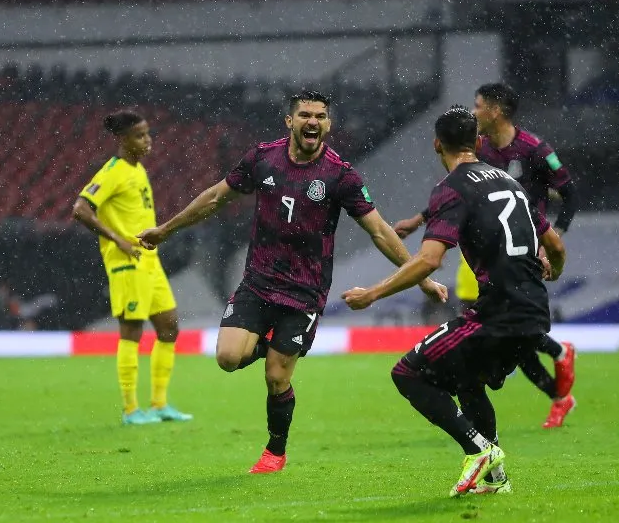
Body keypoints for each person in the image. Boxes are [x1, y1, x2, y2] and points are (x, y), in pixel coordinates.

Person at [137, 90, 447, 474]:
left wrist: (419, 276)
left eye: (320, 115)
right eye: (304, 115)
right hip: (258, 281)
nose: (312, 121)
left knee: (275, 376)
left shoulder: (341, 176)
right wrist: (166, 230)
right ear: (290, 121)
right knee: (228, 358)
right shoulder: (262, 158)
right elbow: (216, 197)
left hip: (304, 292)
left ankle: (275, 450)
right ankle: (272, 346)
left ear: (328, 124)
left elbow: (381, 232)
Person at [343, 106, 566, 496]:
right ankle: (497, 481)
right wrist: (555, 268)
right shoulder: (511, 184)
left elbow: (430, 259)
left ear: (436, 145)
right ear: (478, 143)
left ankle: (478, 450)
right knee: (467, 379)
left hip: (498, 312)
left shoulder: (453, 187)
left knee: (407, 373)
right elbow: (556, 245)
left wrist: (373, 293)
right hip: (535, 310)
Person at [393, 83, 578, 428]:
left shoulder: (536, 149)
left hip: (523, 245)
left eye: (478, 106)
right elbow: (458, 194)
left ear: (495, 110)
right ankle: (556, 392)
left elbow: (571, 194)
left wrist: (551, 239)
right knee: (496, 327)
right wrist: (419, 220)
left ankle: (557, 357)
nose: (473, 112)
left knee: (503, 321)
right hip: (481, 243)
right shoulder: (481, 152)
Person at [73, 110, 192, 426]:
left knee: (169, 328)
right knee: (132, 334)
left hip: (150, 262)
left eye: (148, 133)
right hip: (127, 262)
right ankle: (130, 410)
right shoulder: (112, 172)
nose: (148, 140)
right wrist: (120, 241)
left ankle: (160, 403)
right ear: (123, 140)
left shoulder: (137, 170)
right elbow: (80, 209)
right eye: (140, 135)